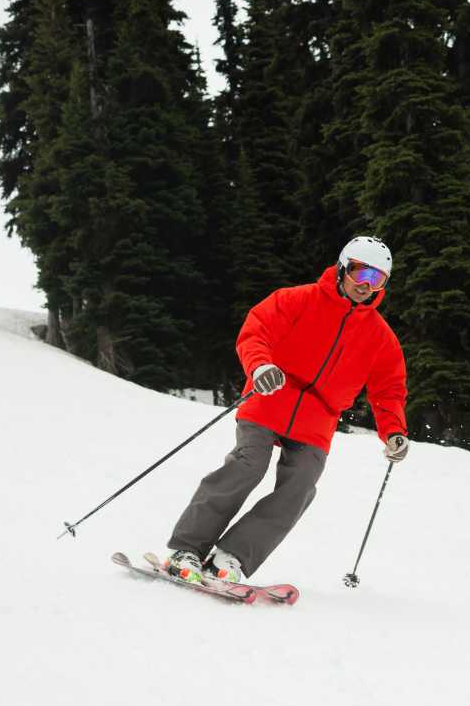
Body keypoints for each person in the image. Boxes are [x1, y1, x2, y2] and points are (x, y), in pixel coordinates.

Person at [164, 236, 410, 585]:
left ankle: (231, 556)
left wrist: (394, 431)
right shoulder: (298, 300)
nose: (365, 285)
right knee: (249, 465)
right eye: (360, 273)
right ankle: (186, 548)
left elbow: (389, 390)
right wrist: (260, 366)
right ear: (343, 269)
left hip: (319, 416)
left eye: (377, 279)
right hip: (272, 392)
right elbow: (256, 331)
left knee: (300, 487)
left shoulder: (380, 337)